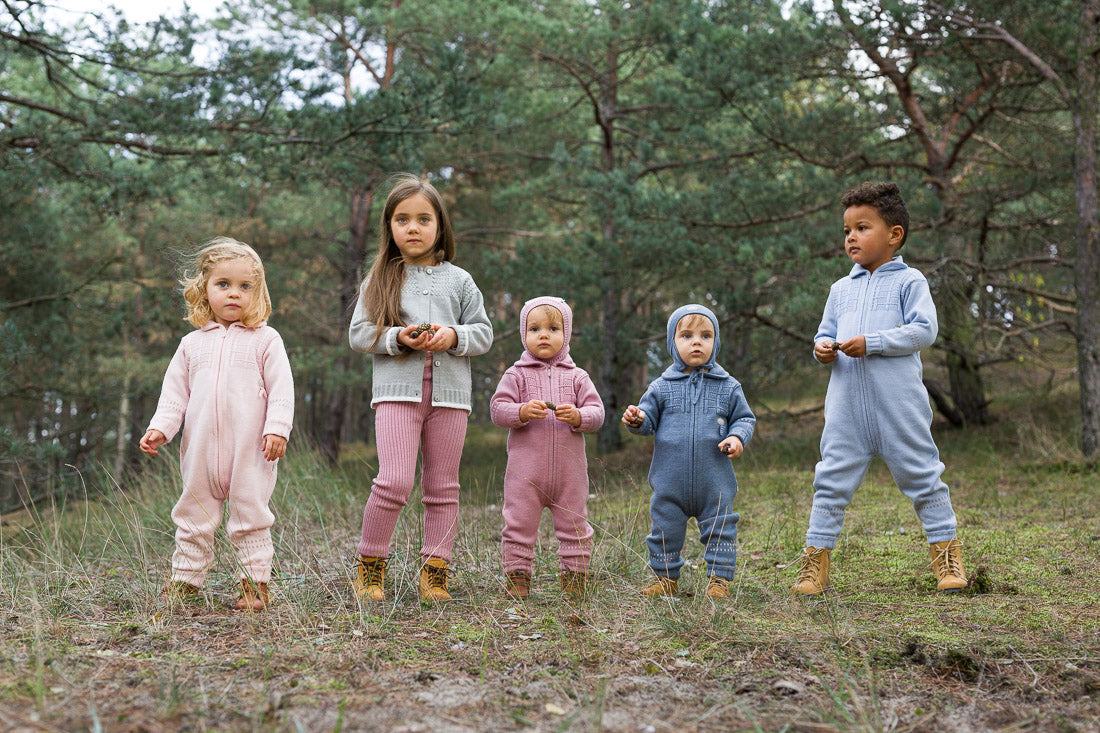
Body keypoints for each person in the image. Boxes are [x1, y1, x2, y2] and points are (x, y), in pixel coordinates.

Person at [791, 181, 967, 596]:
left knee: (924, 479)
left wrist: (874, 343)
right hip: (846, 412)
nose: (851, 236)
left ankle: (947, 560)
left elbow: (924, 331)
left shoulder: (910, 281)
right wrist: (822, 350)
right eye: (847, 229)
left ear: (894, 235)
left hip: (899, 409)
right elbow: (824, 334)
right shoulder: (840, 289)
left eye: (862, 227)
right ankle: (814, 564)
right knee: (829, 483)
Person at [349, 173, 493, 604]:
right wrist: (397, 338)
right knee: (393, 481)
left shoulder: (460, 281)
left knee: (443, 487)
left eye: (423, 219)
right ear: (390, 228)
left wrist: (452, 337)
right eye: (402, 219)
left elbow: (484, 333)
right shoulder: (380, 279)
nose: (413, 228)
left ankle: (434, 572)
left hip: (450, 398)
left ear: (439, 226)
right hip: (396, 395)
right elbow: (359, 334)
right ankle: (370, 569)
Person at [140, 237, 294, 612]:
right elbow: (175, 394)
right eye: (223, 284)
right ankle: (185, 583)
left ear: (257, 292)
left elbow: (282, 389)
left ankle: (254, 586)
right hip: (200, 452)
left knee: (251, 517)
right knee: (193, 516)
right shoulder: (192, 344)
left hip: (251, 452)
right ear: (204, 289)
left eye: (245, 286)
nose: (233, 294)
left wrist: (277, 428)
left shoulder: (266, 340)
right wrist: (161, 427)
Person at [622, 304, 756, 600]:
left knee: (721, 528)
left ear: (715, 342)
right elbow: (647, 418)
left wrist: (737, 437)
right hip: (670, 480)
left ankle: (719, 580)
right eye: (686, 335)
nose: (697, 342)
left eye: (706, 335)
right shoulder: (661, 387)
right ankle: (664, 577)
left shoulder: (728, 386)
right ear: (673, 343)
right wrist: (638, 419)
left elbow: (745, 418)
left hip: (715, 480)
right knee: (664, 529)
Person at [490, 297, 605, 602]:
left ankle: (575, 578)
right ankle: (518, 577)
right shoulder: (516, 375)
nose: (543, 335)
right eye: (534, 328)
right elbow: (498, 410)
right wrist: (521, 412)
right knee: (518, 524)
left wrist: (579, 416)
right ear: (523, 333)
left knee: (575, 524)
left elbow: (597, 413)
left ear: (565, 334)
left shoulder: (578, 377)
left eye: (553, 328)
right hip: (524, 474)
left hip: (570, 473)